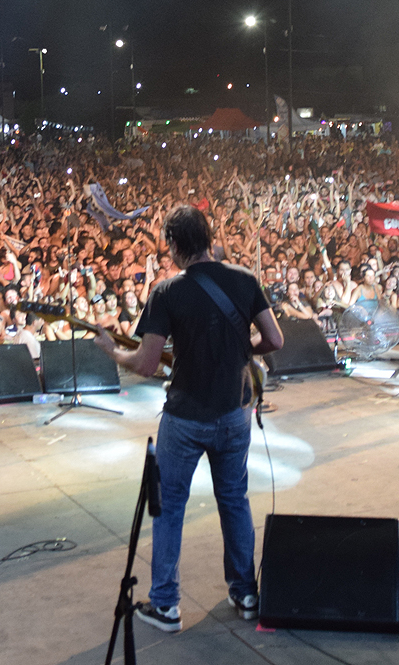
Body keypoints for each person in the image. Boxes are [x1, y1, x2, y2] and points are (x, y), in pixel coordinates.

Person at [93, 205, 284, 634]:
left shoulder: (167, 292)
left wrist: (111, 350)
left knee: (171, 508)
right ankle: (246, 593)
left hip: (185, 417)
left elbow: (144, 364)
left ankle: (166, 606)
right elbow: (274, 338)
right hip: (235, 413)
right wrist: (240, 349)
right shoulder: (244, 279)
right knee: (234, 501)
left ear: (175, 245)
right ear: (209, 236)